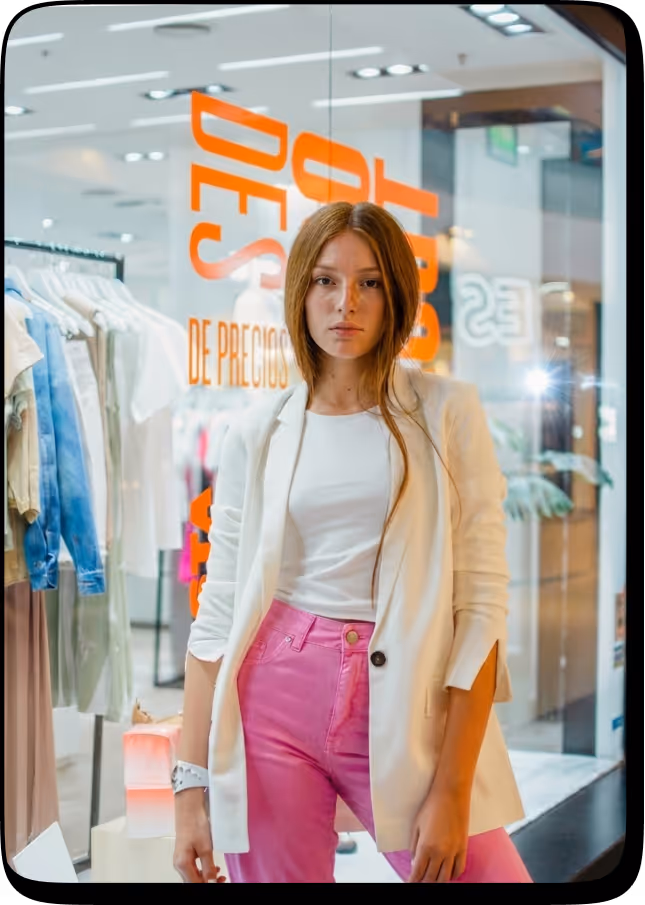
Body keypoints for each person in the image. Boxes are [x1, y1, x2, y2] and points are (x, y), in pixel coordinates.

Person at [172, 201, 532, 884]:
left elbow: (480, 608)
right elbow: (216, 615)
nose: (346, 303)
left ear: (396, 293)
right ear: (300, 291)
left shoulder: (445, 410)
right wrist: (190, 786)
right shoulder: (258, 429)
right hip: (271, 691)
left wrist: (452, 789)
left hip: (404, 691)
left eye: (369, 282)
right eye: (325, 281)